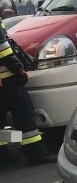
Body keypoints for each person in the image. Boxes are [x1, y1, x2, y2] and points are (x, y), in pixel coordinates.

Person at [0, 15, 56, 167]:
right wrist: (18, 69)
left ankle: (4, 157)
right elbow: (3, 50)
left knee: (1, 121)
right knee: (24, 115)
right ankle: (36, 154)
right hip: (7, 80)